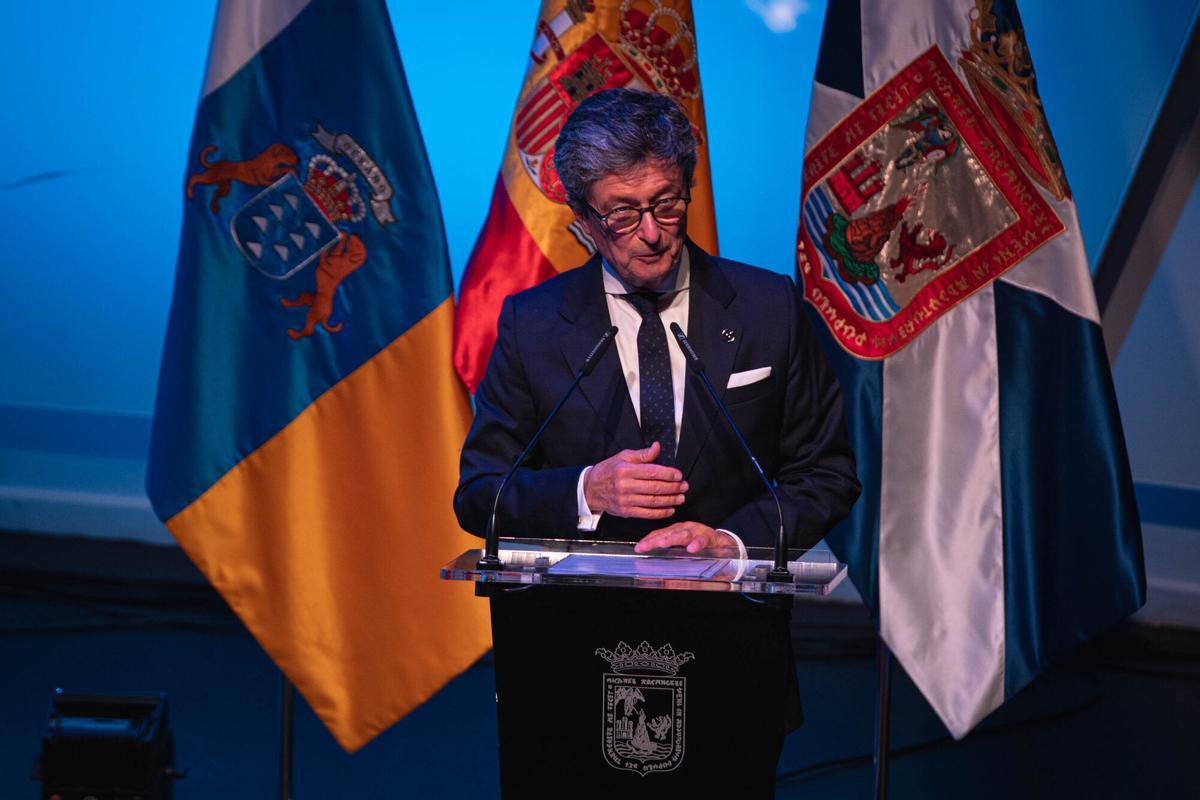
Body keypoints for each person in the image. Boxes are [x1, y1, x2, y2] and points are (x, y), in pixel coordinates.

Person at [454, 88, 860, 554]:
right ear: (584, 219)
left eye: (666, 204)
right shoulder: (533, 325)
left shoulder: (768, 307)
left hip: (730, 610)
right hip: (578, 614)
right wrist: (588, 491)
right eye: (623, 214)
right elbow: (480, 494)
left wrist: (734, 544)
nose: (651, 234)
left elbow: (827, 472)